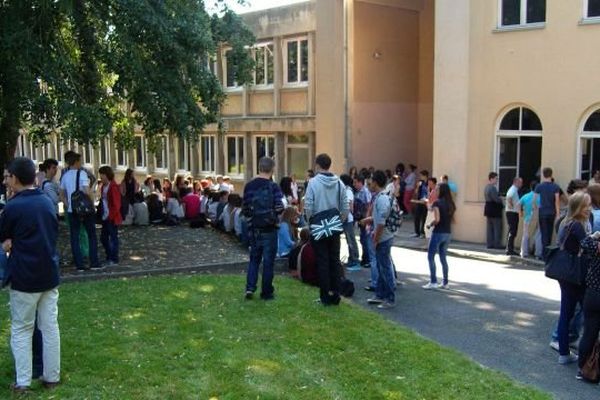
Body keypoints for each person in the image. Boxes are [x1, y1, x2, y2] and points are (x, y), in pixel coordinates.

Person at [0, 157, 61, 392]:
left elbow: (4, 238)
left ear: (15, 178)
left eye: (7, 176)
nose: (6, 180)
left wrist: (9, 244)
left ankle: (23, 381)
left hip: (25, 277)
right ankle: (51, 376)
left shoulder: (13, 207)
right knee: (49, 326)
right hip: (48, 273)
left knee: (22, 328)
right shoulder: (46, 202)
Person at [304, 153, 349, 306]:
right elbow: (345, 207)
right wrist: (339, 221)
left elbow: (308, 206)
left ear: (317, 165)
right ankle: (336, 294)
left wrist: (311, 221)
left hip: (318, 227)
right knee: (334, 261)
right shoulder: (339, 183)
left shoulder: (313, 183)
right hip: (334, 227)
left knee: (322, 261)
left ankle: (324, 296)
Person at [554, 192, 590, 365]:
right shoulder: (576, 225)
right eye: (586, 205)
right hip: (574, 274)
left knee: (566, 313)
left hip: (565, 273)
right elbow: (587, 245)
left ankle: (563, 352)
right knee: (585, 312)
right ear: (578, 207)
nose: (589, 208)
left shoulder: (565, 221)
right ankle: (572, 353)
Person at [243, 157, 284, 300]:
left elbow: (246, 208)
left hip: (254, 229)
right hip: (270, 229)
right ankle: (266, 292)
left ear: (259, 167)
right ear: (272, 169)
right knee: (268, 262)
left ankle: (250, 287)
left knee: (254, 259)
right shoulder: (274, 187)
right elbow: (279, 207)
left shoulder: (249, 186)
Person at [60, 151, 101, 271]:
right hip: (85, 209)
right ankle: (94, 262)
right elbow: (86, 190)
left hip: (73, 210)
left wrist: (68, 204)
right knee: (91, 235)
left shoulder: (65, 176)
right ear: (77, 162)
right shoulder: (82, 173)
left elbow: (61, 194)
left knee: (74, 237)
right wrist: (92, 204)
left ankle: (79, 264)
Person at [365, 170, 396, 309]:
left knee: (385, 269)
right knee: (381, 266)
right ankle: (380, 295)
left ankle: (389, 298)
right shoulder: (380, 197)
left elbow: (382, 222)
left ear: (376, 183)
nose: (369, 183)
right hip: (382, 237)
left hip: (383, 239)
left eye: (371, 181)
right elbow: (378, 219)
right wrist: (369, 220)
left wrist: (376, 239)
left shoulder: (382, 198)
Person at [423, 183, 456, 290]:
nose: (435, 191)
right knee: (443, 258)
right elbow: (453, 220)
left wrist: (429, 224)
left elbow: (437, 219)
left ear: (441, 191)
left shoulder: (437, 203)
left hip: (438, 232)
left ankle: (433, 281)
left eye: (437, 190)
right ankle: (445, 282)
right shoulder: (451, 203)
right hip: (448, 233)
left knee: (431, 256)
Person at [577, 230, 600, 380]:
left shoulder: (595, 246)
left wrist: (595, 235)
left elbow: (584, 242)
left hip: (593, 293)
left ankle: (582, 368)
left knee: (588, 333)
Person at [98, 166, 122, 266]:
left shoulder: (113, 187)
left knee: (113, 238)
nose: (100, 177)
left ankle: (114, 258)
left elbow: (116, 205)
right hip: (105, 216)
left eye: (102, 175)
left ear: (106, 175)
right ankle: (109, 255)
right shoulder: (103, 187)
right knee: (103, 238)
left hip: (112, 217)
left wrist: (110, 216)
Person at [534, 167, 561, 255]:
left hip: (542, 212)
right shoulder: (555, 187)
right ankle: (548, 253)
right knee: (549, 233)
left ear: (543, 175)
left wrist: (536, 209)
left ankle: (544, 253)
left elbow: (535, 200)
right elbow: (557, 201)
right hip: (552, 212)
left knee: (543, 233)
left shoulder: (539, 186)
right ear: (551, 175)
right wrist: (558, 214)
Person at [340, 174, 360, 271]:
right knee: (349, 240)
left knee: (351, 240)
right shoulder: (346, 190)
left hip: (347, 219)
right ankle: (352, 259)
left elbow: (348, 207)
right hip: (346, 219)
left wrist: (342, 219)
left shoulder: (348, 191)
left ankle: (354, 259)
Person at [353, 175, 372, 268]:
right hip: (360, 218)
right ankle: (365, 258)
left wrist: (366, 219)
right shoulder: (359, 192)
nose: (354, 184)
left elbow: (369, 205)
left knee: (365, 239)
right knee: (362, 239)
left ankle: (367, 259)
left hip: (364, 219)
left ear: (360, 182)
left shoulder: (365, 191)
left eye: (355, 182)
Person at [519, 181, 540, 258]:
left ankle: (524, 252)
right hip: (538, 218)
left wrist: (520, 212)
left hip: (527, 218)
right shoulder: (540, 196)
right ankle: (538, 253)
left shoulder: (526, 196)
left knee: (525, 235)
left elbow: (519, 204)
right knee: (538, 235)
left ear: (531, 187)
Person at [484, 172, 503, 249]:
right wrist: (501, 199)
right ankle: (497, 244)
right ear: (491, 179)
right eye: (496, 179)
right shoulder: (492, 188)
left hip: (488, 209)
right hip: (494, 209)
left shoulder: (486, 187)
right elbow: (496, 199)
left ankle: (489, 244)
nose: (497, 180)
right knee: (497, 227)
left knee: (489, 228)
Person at [505, 177, 522, 256]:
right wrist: (510, 204)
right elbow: (509, 196)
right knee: (512, 230)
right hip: (512, 212)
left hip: (512, 212)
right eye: (520, 182)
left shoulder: (514, 189)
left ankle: (509, 248)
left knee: (512, 230)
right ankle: (509, 249)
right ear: (516, 182)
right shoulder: (513, 189)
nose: (521, 184)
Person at [411, 170, 429, 238]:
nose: (420, 177)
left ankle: (423, 233)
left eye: (421, 175)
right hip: (420, 201)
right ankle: (417, 232)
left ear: (425, 176)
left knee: (424, 218)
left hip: (426, 202)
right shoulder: (421, 183)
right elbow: (416, 192)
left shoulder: (428, 183)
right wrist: (417, 187)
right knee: (417, 217)